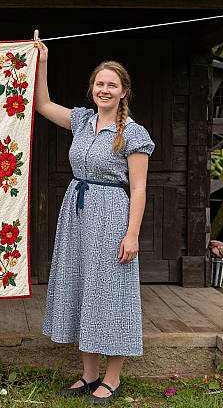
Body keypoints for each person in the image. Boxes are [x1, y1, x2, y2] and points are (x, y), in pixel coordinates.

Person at [34, 41, 155, 405]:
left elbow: (138, 187)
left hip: (112, 212)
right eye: (99, 84)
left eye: (112, 85)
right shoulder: (83, 120)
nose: (104, 90)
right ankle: (88, 375)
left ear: (123, 92)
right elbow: (41, 105)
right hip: (77, 211)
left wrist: (131, 234)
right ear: (92, 88)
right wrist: (42, 63)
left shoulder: (133, 133)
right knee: (82, 286)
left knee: (111, 292)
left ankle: (112, 377)